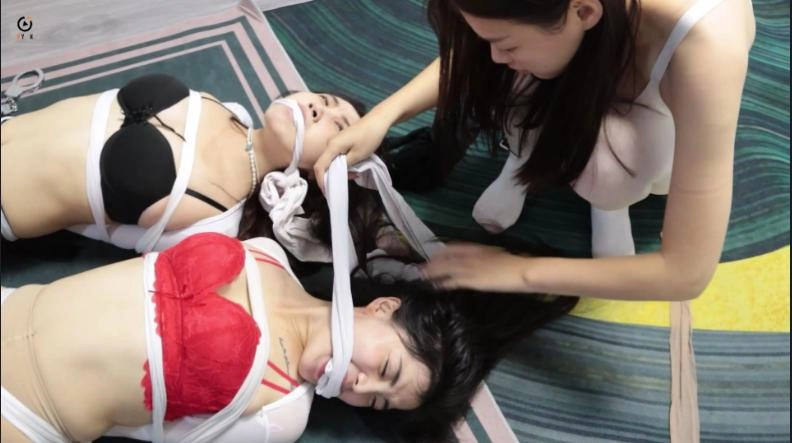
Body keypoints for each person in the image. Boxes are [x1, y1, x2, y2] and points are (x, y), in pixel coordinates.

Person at [312, 0, 755, 303]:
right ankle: (524, 161)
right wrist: (383, 115)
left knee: (627, 168)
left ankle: (607, 202)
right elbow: (487, 38)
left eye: (506, 45)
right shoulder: (550, 21)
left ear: (583, 11)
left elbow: (686, 272)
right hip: (579, 48)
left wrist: (517, 272)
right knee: (503, 69)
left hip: (653, 120)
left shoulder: (705, 50)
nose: (495, 56)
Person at [0, 232, 578, 443]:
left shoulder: (282, 414)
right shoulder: (266, 254)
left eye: (376, 401)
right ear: (382, 308)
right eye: (386, 370)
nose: (360, 386)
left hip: (22, 417)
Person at [0, 73, 365, 254]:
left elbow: (106, 234)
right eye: (324, 99)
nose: (318, 108)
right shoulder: (229, 109)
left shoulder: (217, 223)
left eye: (337, 126)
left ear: (318, 173)